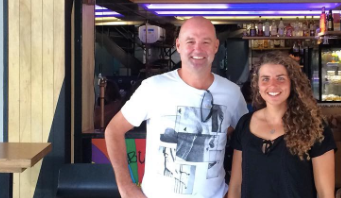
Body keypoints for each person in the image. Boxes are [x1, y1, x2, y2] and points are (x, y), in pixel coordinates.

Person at [105, 16, 248, 198]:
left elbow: (245, 141)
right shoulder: (153, 87)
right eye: (190, 41)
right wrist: (126, 187)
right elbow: (113, 130)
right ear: (178, 45)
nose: (198, 49)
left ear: (216, 46)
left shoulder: (232, 93)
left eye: (206, 42)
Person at [228, 51, 336, 198]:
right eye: (265, 79)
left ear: (292, 83)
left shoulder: (314, 126)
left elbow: (325, 193)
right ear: (257, 84)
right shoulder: (244, 124)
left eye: (280, 78)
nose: (272, 85)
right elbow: (235, 187)